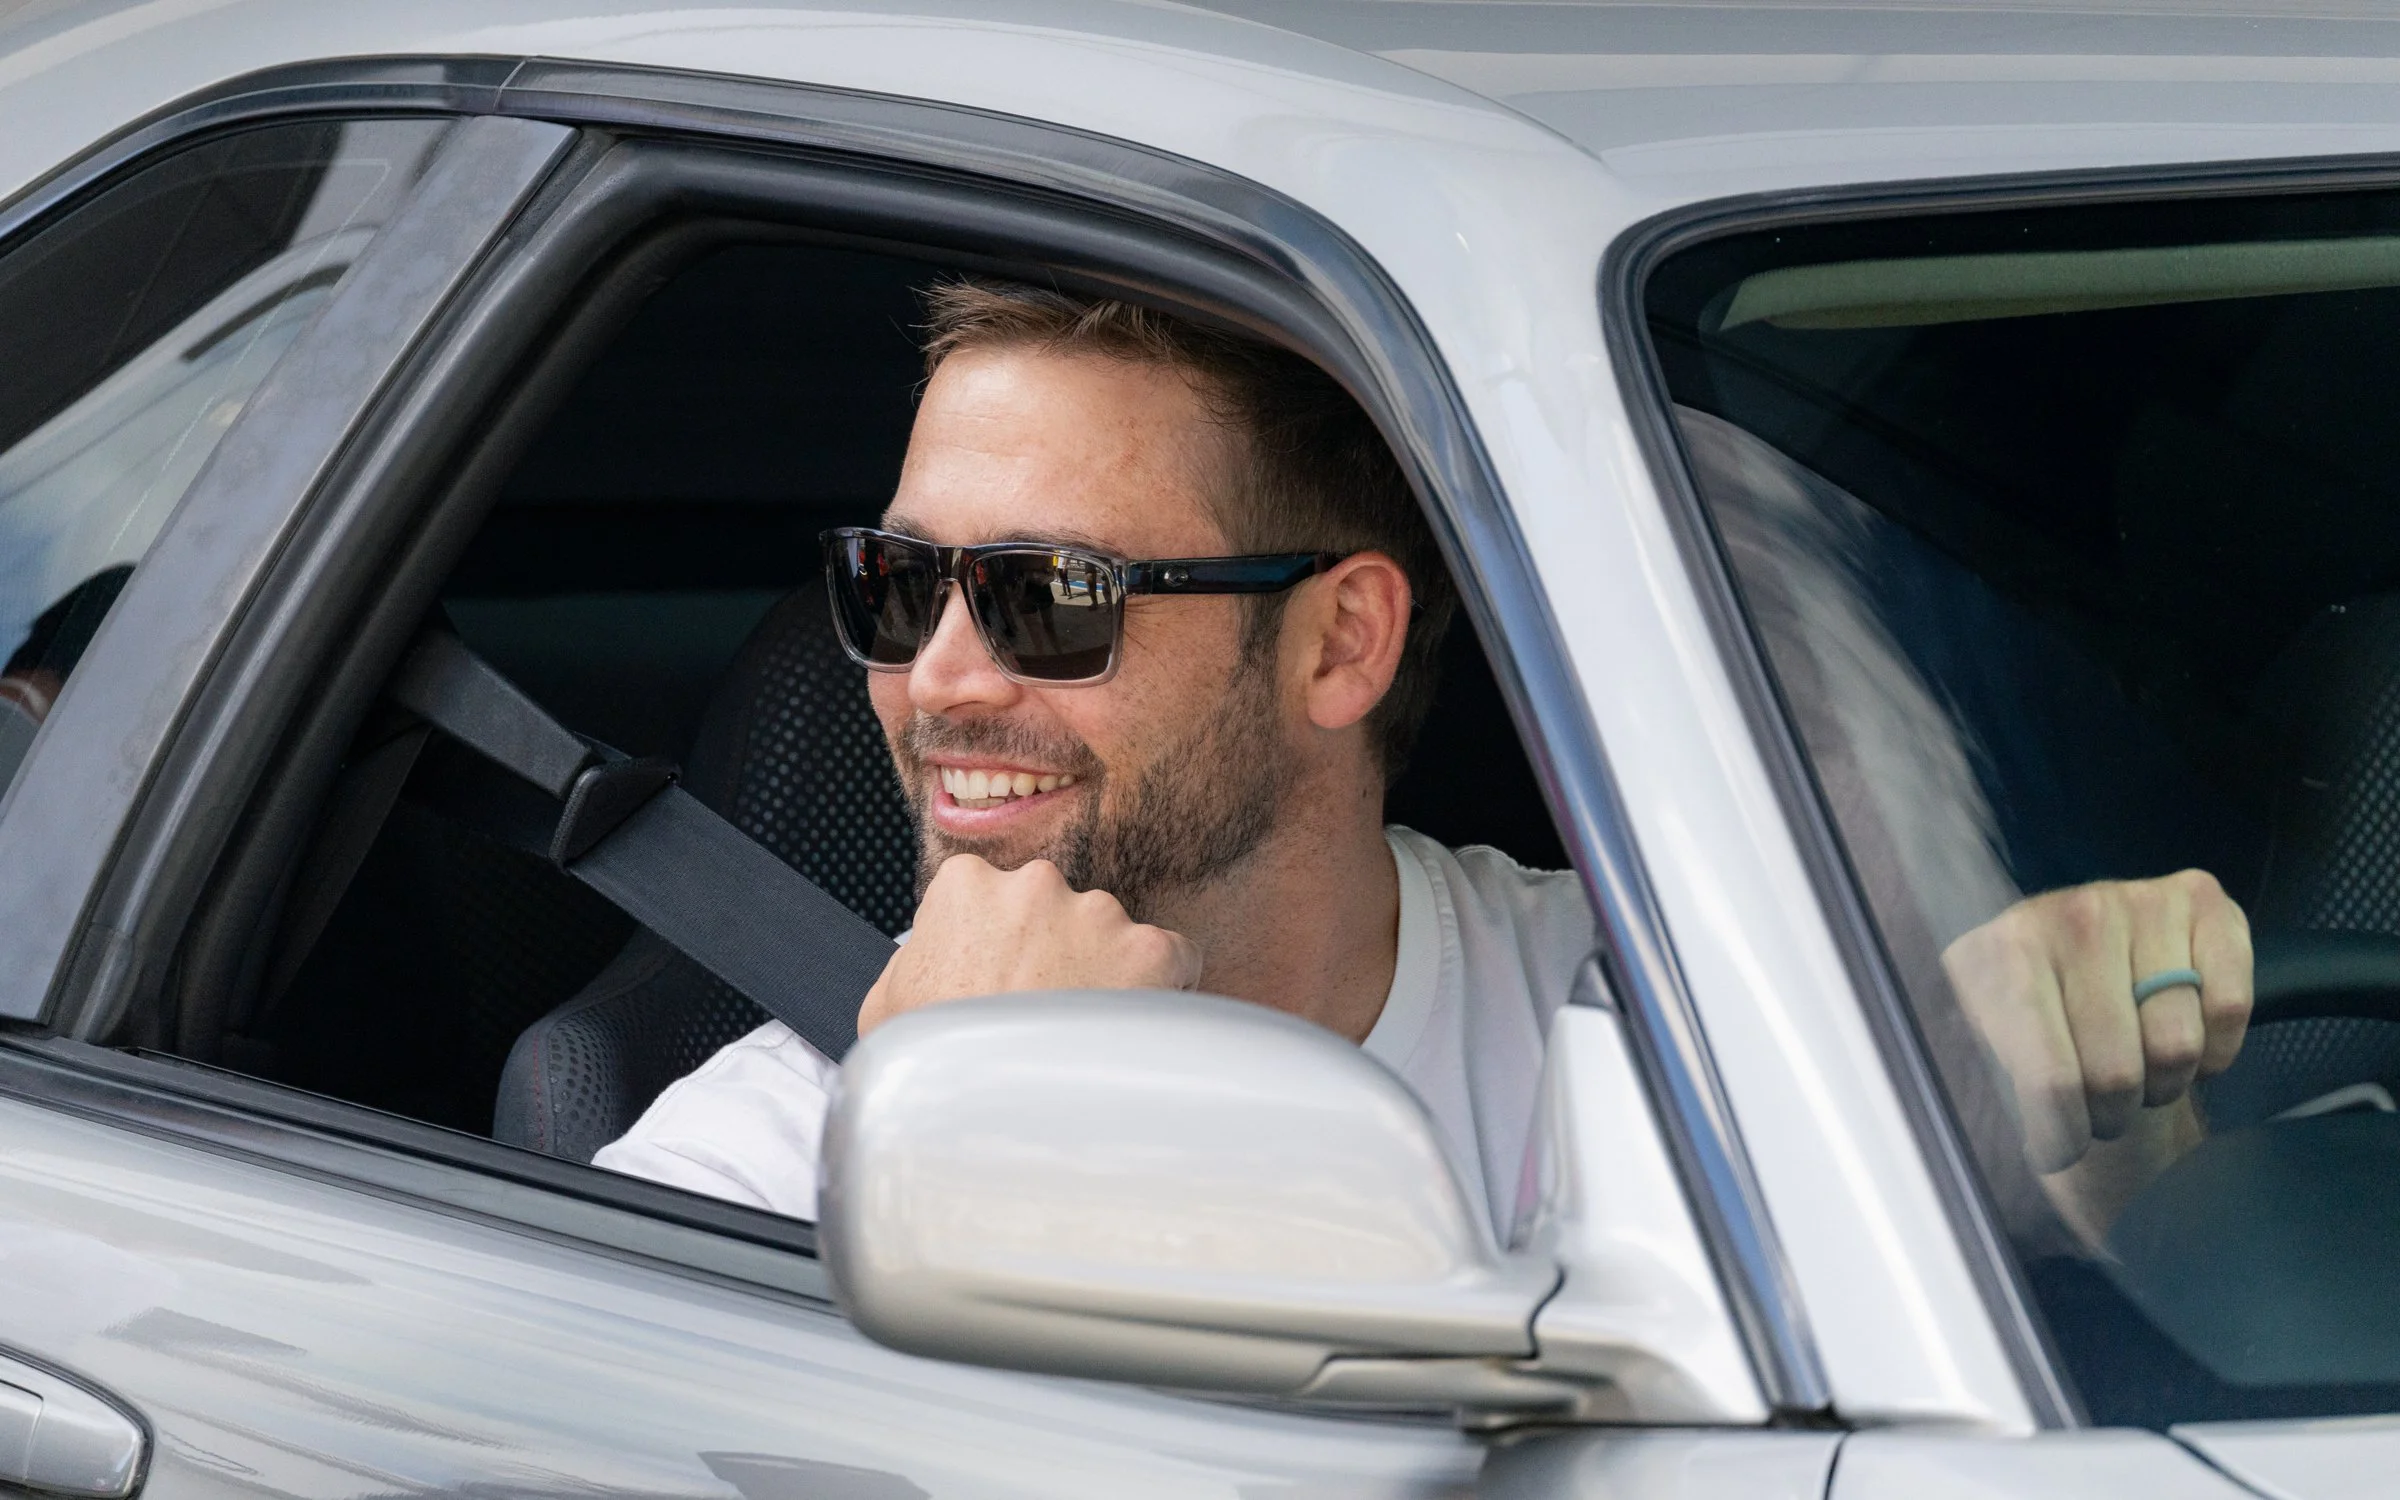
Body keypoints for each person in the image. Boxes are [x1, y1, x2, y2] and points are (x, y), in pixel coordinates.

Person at [595, 279, 2254, 1243]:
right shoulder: (742, 1181)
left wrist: (2099, 1100)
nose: (934, 677)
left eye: (1050, 597)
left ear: (1340, 643)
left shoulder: (1665, 1024)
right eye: (895, 583)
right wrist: (958, 1144)